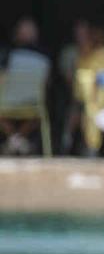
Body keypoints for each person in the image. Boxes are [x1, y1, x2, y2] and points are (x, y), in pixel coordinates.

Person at [67, 20, 104, 158]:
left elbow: (79, 93)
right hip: (98, 107)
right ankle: (87, 148)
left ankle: (84, 149)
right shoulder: (88, 58)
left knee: (89, 112)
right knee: (86, 111)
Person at [2, 17, 52, 155]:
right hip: (35, 105)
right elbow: (46, 84)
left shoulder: (8, 55)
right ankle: (20, 140)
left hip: (5, 105)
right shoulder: (45, 58)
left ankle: (13, 139)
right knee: (40, 113)